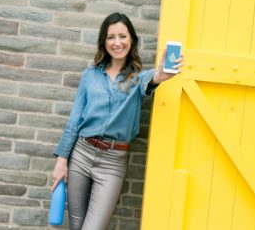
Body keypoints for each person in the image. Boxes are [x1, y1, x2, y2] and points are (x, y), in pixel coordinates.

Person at [51, 12, 184, 230]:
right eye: (111, 37)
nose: (117, 42)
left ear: (131, 40)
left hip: (113, 162)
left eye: (122, 36)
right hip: (81, 154)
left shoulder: (138, 77)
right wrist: (61, 160)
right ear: (104, 42)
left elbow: (154, 78)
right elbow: (75, 119)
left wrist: (161, 73)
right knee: (76, 225)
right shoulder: (90, 74)